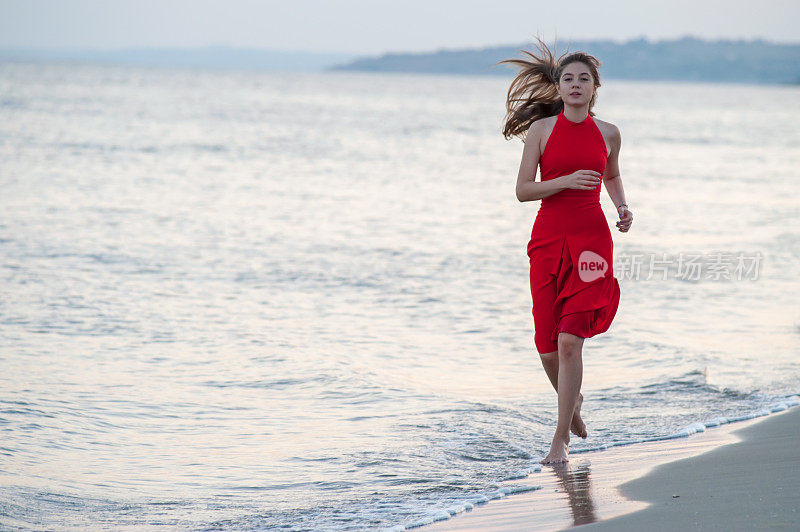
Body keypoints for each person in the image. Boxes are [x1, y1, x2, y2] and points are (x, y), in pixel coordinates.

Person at [497, 38, 633, 464]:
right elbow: (523, 190)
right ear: (558, 88)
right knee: (547, 345)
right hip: (549, 239)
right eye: (568, 79)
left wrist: (623, 207)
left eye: (584, 79)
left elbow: (611, 176)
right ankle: (572, 405)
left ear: (595, 87)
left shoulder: (609, 133)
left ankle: (560, 438)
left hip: (592, 240)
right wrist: (564, 182)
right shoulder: (541, 130)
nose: (576, 85)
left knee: (571, 339)